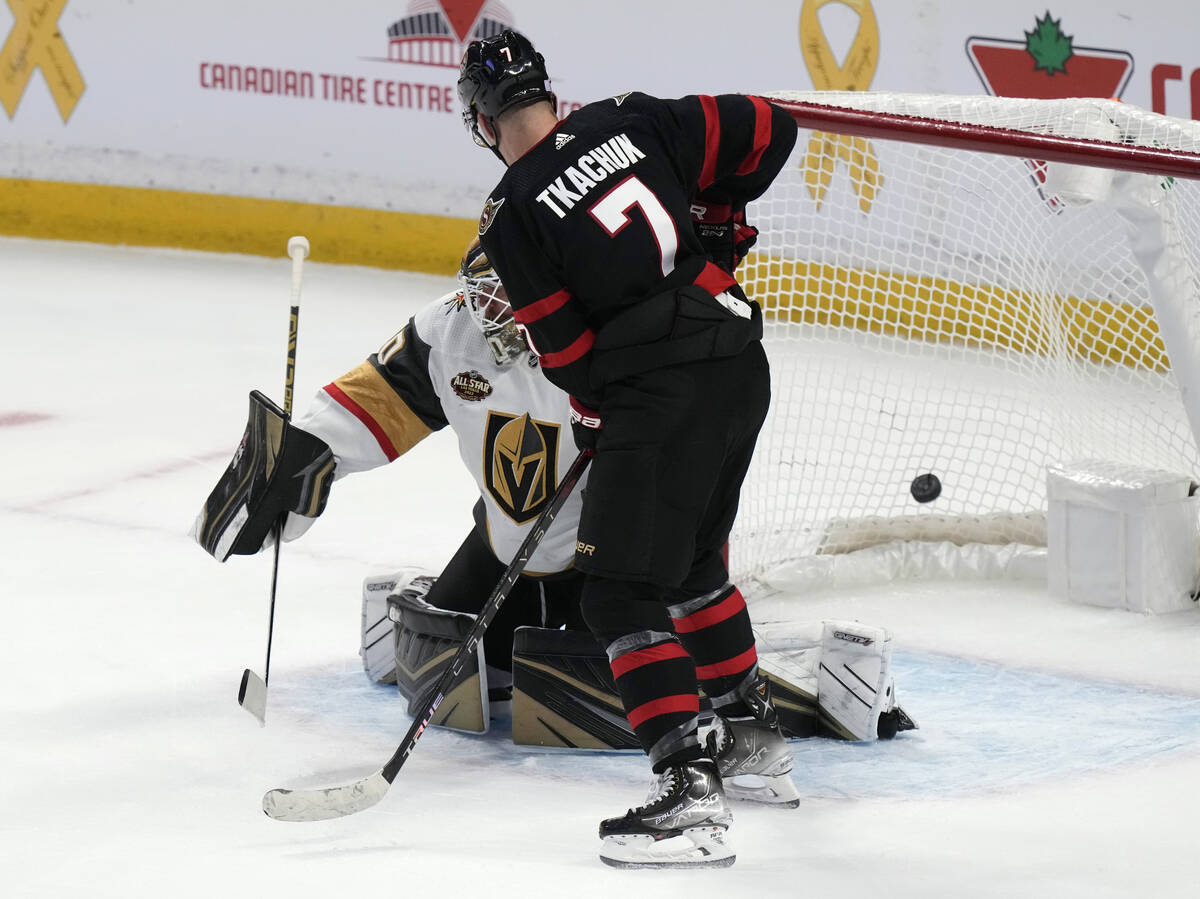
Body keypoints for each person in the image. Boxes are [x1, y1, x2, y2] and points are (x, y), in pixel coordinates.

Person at [457, 29, 800, 868]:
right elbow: (772, 125)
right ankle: (754, 737)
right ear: (545, 90)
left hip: (662, 387)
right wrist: (716, 223)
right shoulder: (633, 119)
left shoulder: (510, 214)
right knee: (691, 565)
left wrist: (600, 407)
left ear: (482, 118)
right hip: (737, 358)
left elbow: (568, 355)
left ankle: (688, 789)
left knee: (616, 594)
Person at [193, 238, 588, 723]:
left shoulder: (618, 342)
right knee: (437, 672)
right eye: (484, 295)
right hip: (503, 549)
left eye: (511, 295)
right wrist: (295, 466)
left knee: (604, 694)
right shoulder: (450, 331)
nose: (493, 313)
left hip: (612, 565)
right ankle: (413, 594)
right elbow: (370, 406)